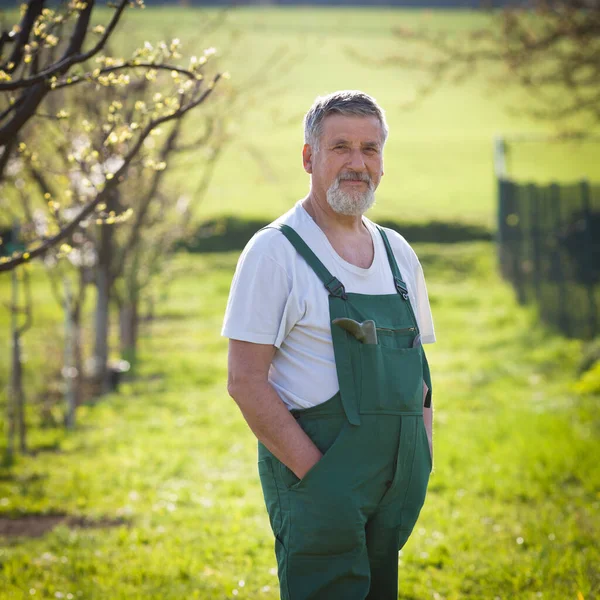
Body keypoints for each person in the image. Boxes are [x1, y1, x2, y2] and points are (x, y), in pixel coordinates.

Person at [222, 90, 436, 600]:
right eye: (340, 147)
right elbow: (245, 381)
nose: (357, 163)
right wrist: (320, 479)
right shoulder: (275, 252)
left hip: (396, 485)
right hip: (319, 481)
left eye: (370, 148)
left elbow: (421, 373)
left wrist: (420, 457)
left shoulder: (397, 253)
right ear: (308, 157)